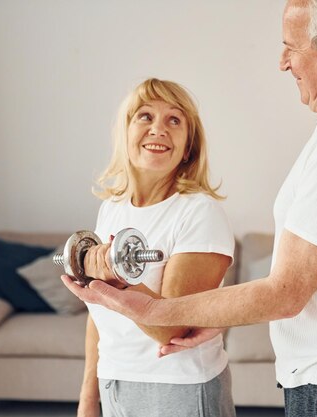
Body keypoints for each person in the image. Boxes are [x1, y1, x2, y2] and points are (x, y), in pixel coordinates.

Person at [63, 1, 317, 416]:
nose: (283, 62)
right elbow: (306, 283)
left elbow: (286, 292)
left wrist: (155, 309)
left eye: (291, 47)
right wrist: (214, 316)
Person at [75, 78, 236, 417]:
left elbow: (170, 328)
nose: (158, 129)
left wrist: (118, 280)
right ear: (126, 131)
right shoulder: (112, 208)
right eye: (145, 116)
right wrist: (88, 399)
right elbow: (98, 317)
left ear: (189, 145)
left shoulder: (200, 212)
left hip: (179, 386)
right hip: (114, 382)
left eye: (174, 120)